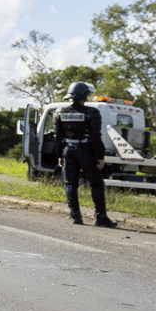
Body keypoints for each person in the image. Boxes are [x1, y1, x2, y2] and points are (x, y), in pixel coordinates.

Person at [55, 82, 116, 227]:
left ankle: (76, 216)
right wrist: (100, 157)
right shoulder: (91, 112)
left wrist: (59, 155)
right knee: (96, 184)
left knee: (70, 183)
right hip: (86, 151)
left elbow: (58, 137)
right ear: (85, 96)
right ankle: (100, 217)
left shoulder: (60, 112)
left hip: (68, 151)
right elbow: (95, 137)